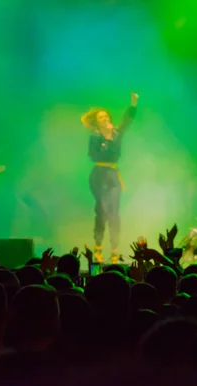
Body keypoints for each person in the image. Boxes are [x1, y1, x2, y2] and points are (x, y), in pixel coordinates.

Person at [81, 91, 139, 264]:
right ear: (97, 123)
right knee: (102, 210)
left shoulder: (116, 134)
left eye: (106, 116)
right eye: (101, 118)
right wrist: (105, 140)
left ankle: (115, 249)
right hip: (99, 175)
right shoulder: (95, 137)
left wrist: (133, 104)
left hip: (113, 175)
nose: (105, 119)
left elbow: (127, 121)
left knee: (114, 212)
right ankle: (98, 246)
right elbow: (94, 156)